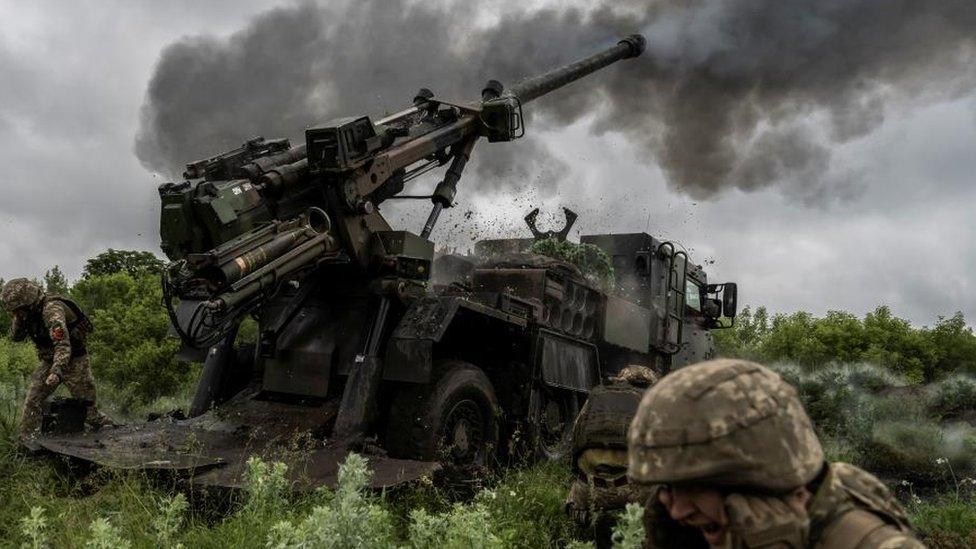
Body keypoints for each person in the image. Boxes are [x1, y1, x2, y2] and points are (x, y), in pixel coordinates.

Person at [627, 358, 925, 549]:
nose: (678, 510)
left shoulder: (870, 543)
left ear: (771, 477)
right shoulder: (690, 534)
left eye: (695, 486)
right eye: (668, 488)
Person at [1, 278, 111, 441]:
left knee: (89, 413)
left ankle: (116, 436)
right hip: (50, 361)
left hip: (74, 361)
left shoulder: (52, 310)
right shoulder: (29, 314)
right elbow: (16, 337)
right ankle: (27, 440)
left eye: (18, 310)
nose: (16, 313)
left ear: (28, 303)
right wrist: (17, 321)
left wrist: (56, 372)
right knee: (33, 399)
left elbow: (63, 345)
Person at [566, 365, 660, 548]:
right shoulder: (654, 401)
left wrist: (579, 473)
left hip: (592, 484)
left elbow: (576, 433)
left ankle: (590, 519)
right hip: (633, 487)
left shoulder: (597, 396)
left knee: (573, 505)